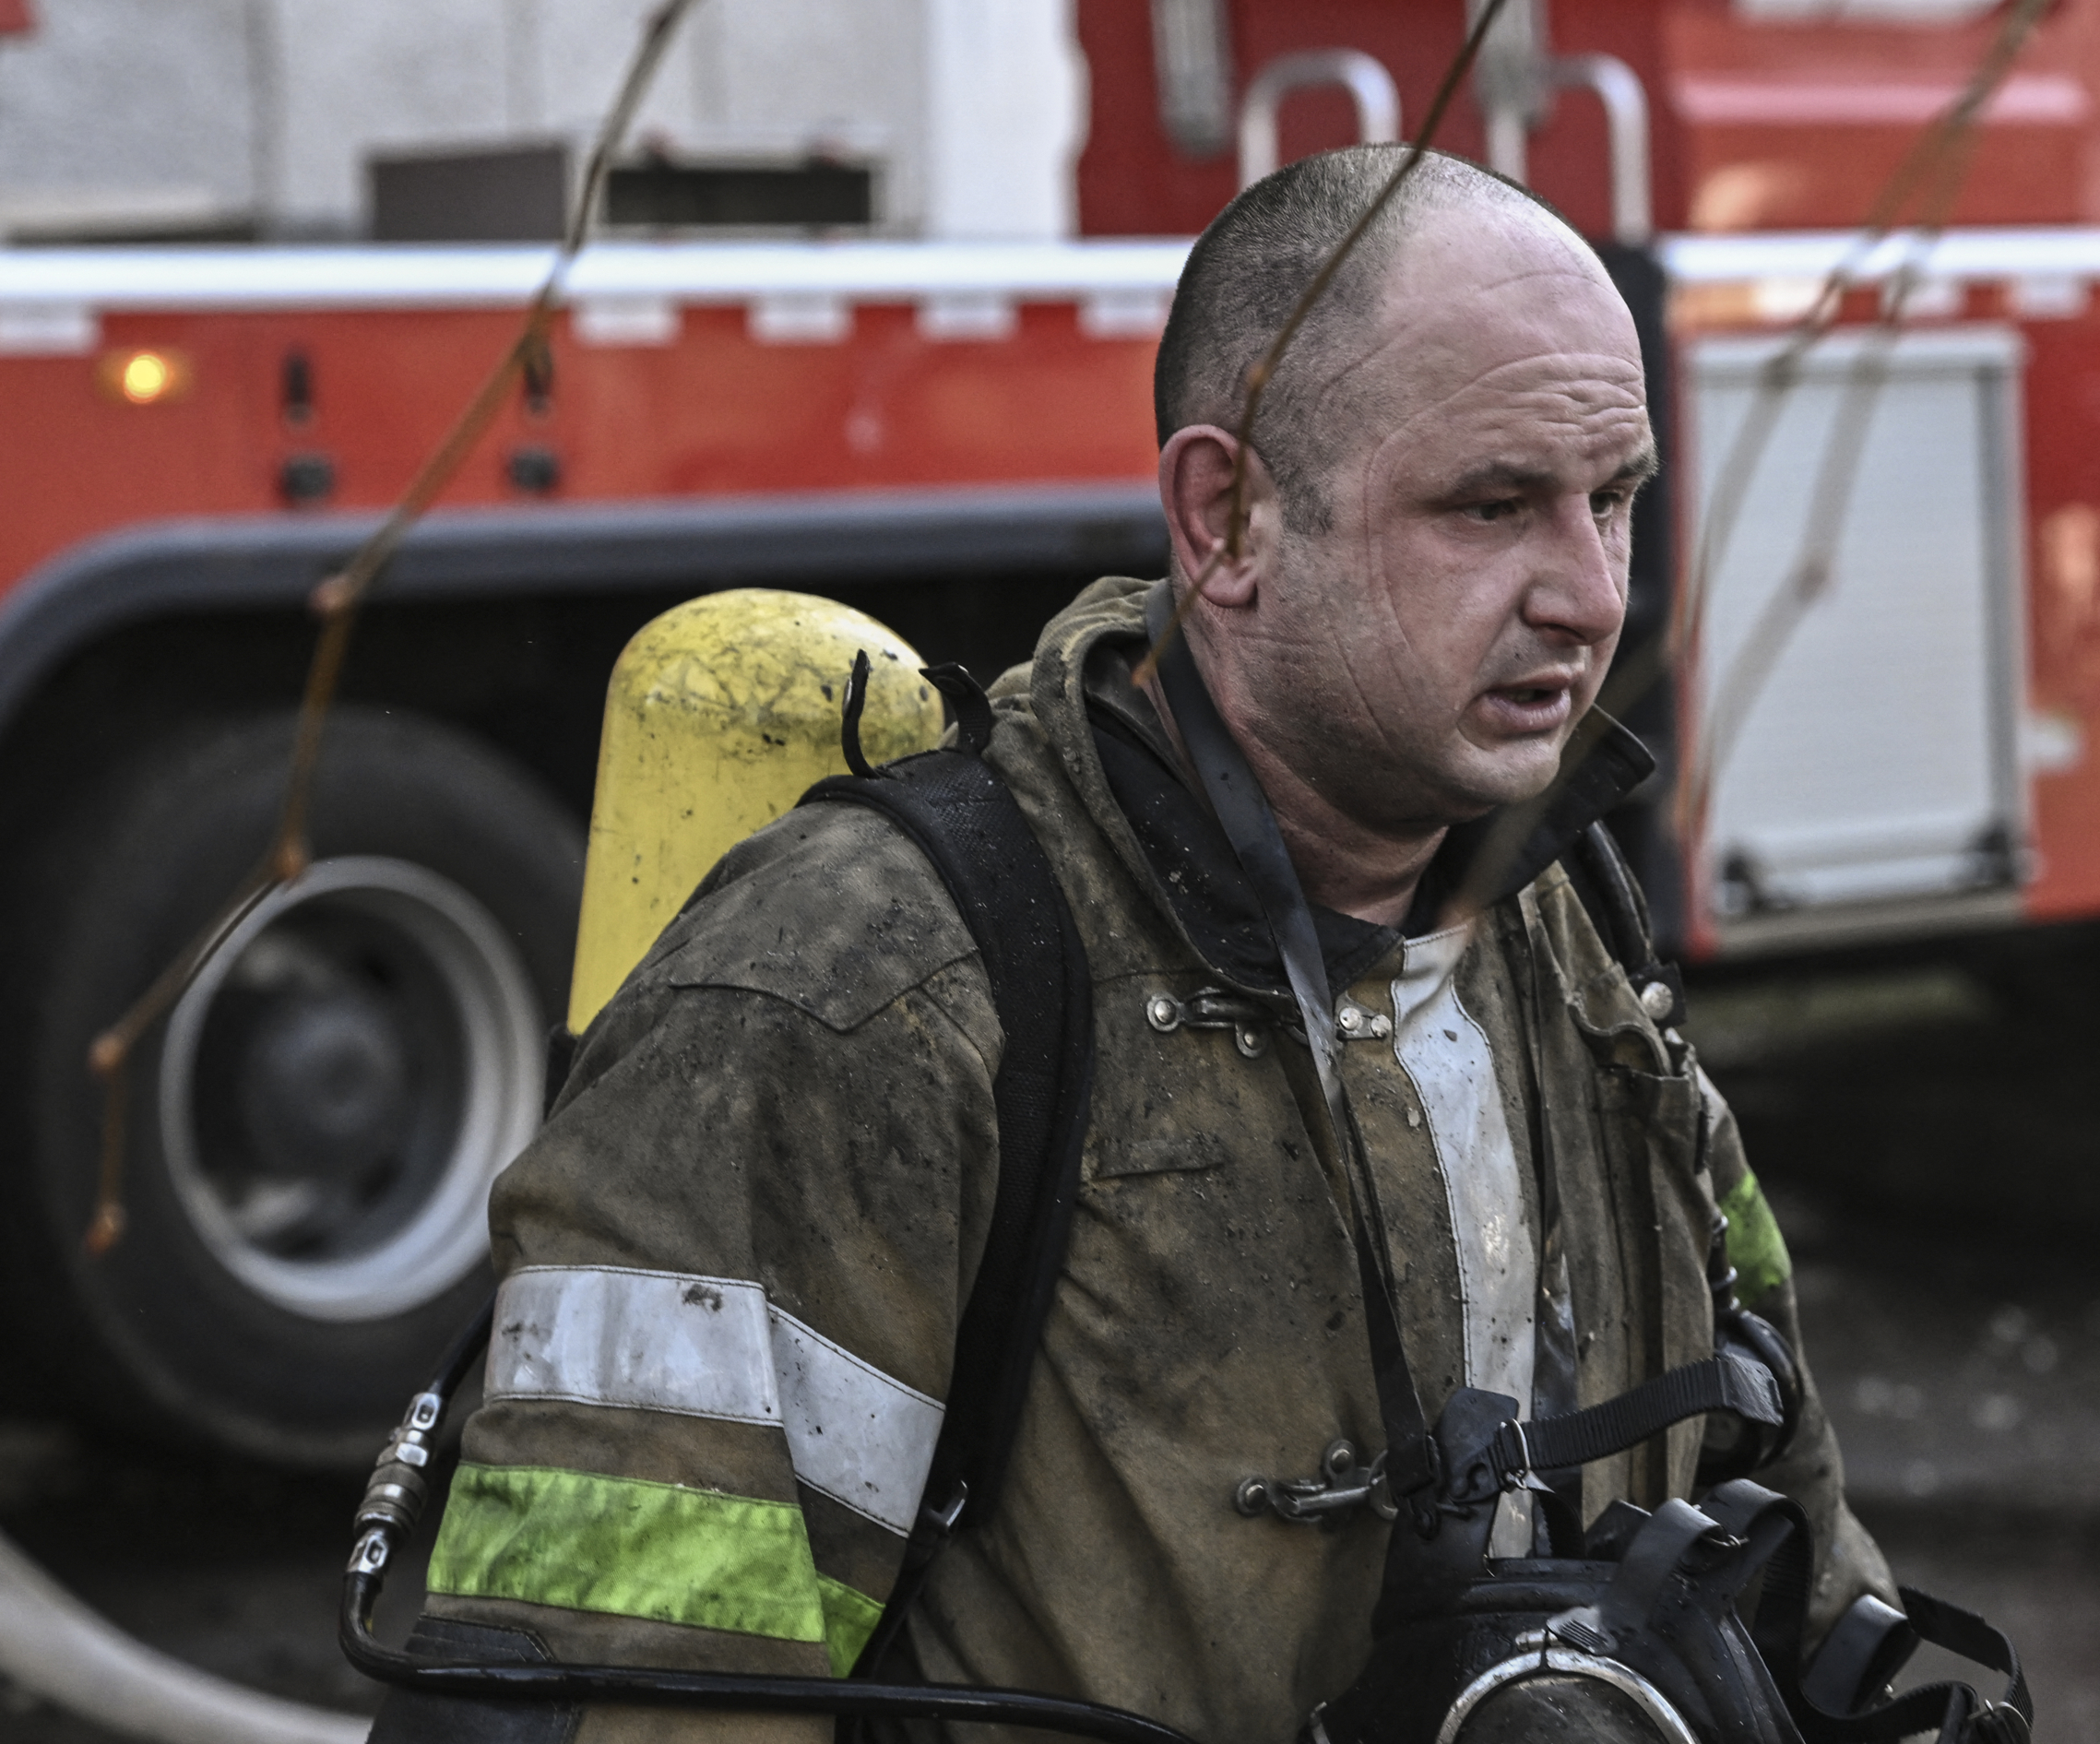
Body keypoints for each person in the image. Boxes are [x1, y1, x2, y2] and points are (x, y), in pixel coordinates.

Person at [377, 147, 1893, 1744]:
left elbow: (1781, 1507)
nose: (1590, 595)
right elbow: (632, 1707)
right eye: (1490, 507)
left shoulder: (1562, 917)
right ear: (1225, 517)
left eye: (1617, 502)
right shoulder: (858, 1002)